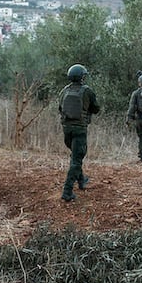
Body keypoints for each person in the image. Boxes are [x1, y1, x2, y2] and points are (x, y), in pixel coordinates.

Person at [58, 63, 100, 201]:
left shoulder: (64, 91)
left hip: (66, 129)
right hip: (79, 129)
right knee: (76, 159)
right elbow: (96, 108)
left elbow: (60, 108)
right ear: (82, 77)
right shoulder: (87, 91)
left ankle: (81, 180)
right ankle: (67, 191)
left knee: (76, 156)